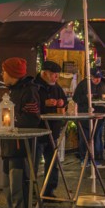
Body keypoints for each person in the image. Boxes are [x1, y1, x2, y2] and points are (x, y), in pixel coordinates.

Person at [0, 57, 41, 208]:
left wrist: (8, 121)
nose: (2, 75)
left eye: (4, 71)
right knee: (8, 187)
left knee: (18, 186)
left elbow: (32, 119)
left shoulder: (28, 91)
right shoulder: (12, 91)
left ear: (13, 74)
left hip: (20, 147)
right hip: (9, 145)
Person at [34, 60, 67, 197]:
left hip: (53, 129)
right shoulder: (34, 87)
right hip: (38, 129)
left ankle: (49, 190)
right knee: (34, 161)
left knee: (52, 161)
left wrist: (61, 102)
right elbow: (30, 105)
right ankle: (32, 190)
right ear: (45, 74)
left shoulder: (56, 87)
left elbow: (65, 100)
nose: (56, 77)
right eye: (54, 74)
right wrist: (44, 103)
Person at [73, 67, 105, 162]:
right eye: (95, 78)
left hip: (99, 115)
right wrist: (86, 97)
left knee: (97, 136)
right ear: (90, 77)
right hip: (84, 115)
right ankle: (84, 158)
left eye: (99, 78)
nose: (97, 80)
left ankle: (97, 157)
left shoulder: (102, 85)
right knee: (85, 137)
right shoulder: (83, 84)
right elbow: (75, 98)